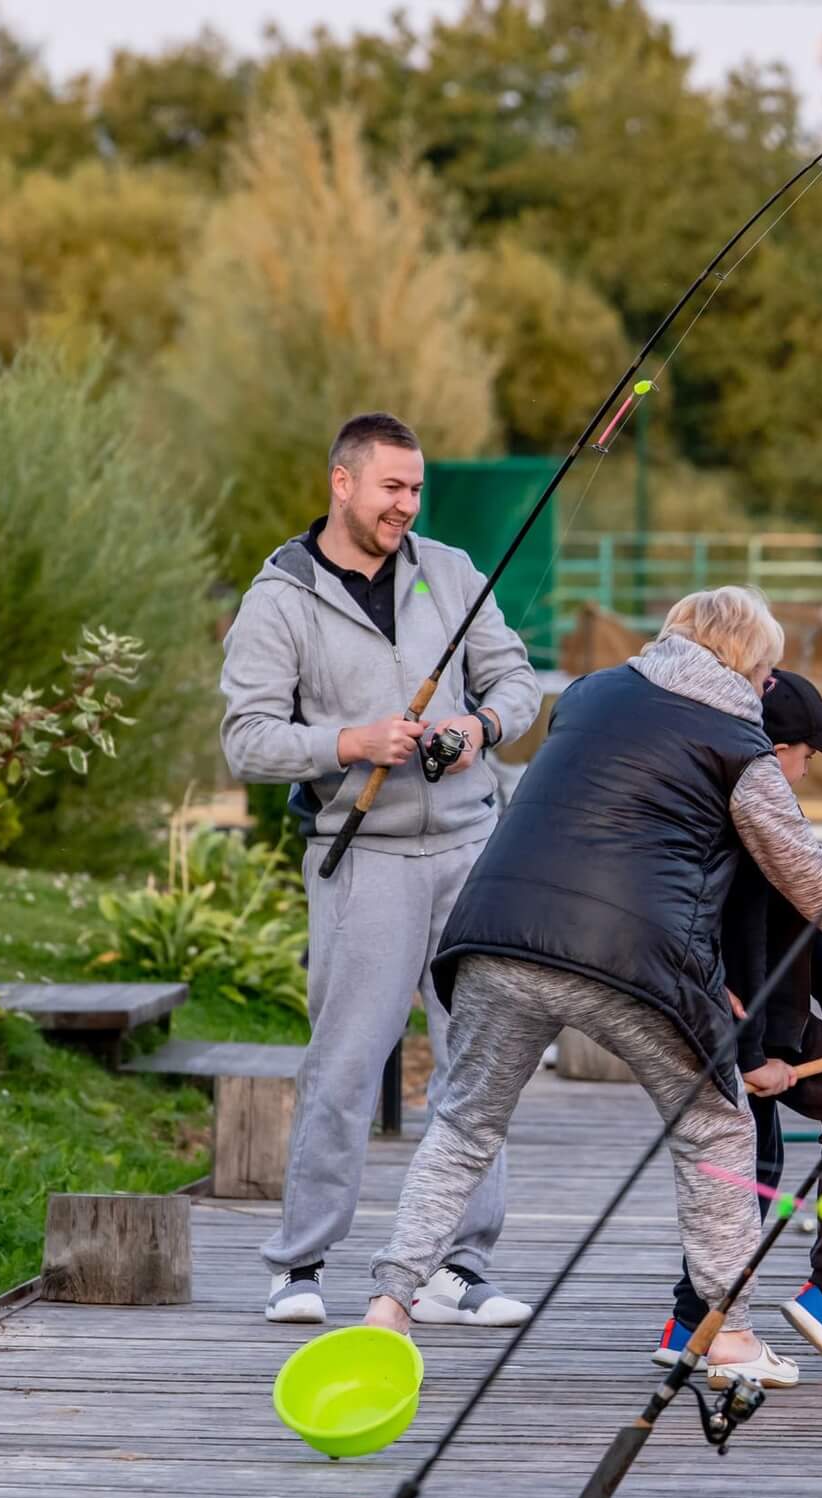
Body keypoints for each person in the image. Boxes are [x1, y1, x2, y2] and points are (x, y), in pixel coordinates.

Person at [359, 588, 822, 1389]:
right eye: (766, 668)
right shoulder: (738, 739)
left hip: (495, 928)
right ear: (744, 660)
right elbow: (801, 867)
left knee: (464, 1126)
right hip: (630, 956)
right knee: (716, 1129)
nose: (766, 684)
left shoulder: (590, 693)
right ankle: (730, 1337)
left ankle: (389, 1307)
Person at [220, 412, 542, 1328]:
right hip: (364, 856)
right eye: (392, 487)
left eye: (416, 487)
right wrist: (348, 742)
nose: (408, 503)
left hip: (473, 851)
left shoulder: (452, 572)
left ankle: (455, 1265)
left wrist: (479, 727)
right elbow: (246, 739)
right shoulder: (278, 598)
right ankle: (298, 1263)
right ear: (342, 484)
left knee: (478, 1058)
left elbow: (516, 683)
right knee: (349, 1062)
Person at [670, 669, 822, 1379]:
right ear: (777, 751)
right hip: (738, 1022)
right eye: (807, 754)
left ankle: (692, 1316)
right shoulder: (744, 818)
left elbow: (806, 906)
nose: (810, 768)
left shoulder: (748, 802)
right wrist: (761, 1052)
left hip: (778, 1017)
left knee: (758, 1159)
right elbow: (737, 940)